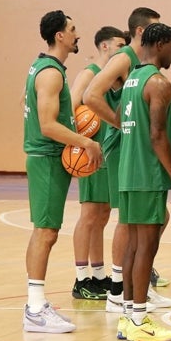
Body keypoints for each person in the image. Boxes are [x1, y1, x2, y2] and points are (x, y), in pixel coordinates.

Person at [21, 10, 103, 333]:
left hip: (46, 158)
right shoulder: (51, 74)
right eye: (72, 29)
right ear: (59, 36)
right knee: (46, 231)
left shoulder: (43, 68)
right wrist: (87, 142)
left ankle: (35, 303)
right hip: (46, 158)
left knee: (44, 230)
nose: (77, 33)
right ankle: (35, 309)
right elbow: (47, 124)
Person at [84, 7, 169, 313]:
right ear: (142, 32)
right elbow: (90, 94)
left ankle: (137, 285)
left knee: (152, 219)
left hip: (137, 145)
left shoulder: (145, 65)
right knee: (128, 219)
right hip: (122, 144)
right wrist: (121, 124)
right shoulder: (123, 59)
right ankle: (118, 289)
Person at [116, 23, 171, 341]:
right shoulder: (158, 83)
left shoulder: (132, 79)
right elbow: (157, 135)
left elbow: (129, 121)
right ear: (159, 44)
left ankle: (129, 316)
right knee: (147, 246)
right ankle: (141, 319)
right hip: (147, 176)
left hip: (128, 173)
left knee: (132, 246)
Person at [68, 25, 127, 301]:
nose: (122, 48)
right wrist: (80, 142)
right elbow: (71, 107)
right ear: (104, 46)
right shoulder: (89, 73)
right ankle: (81, 280)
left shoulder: (113, 78)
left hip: (107, 153)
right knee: (89, 215)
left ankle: (99, 275)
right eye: (118, 44)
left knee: (102, 215)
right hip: (90, 153)